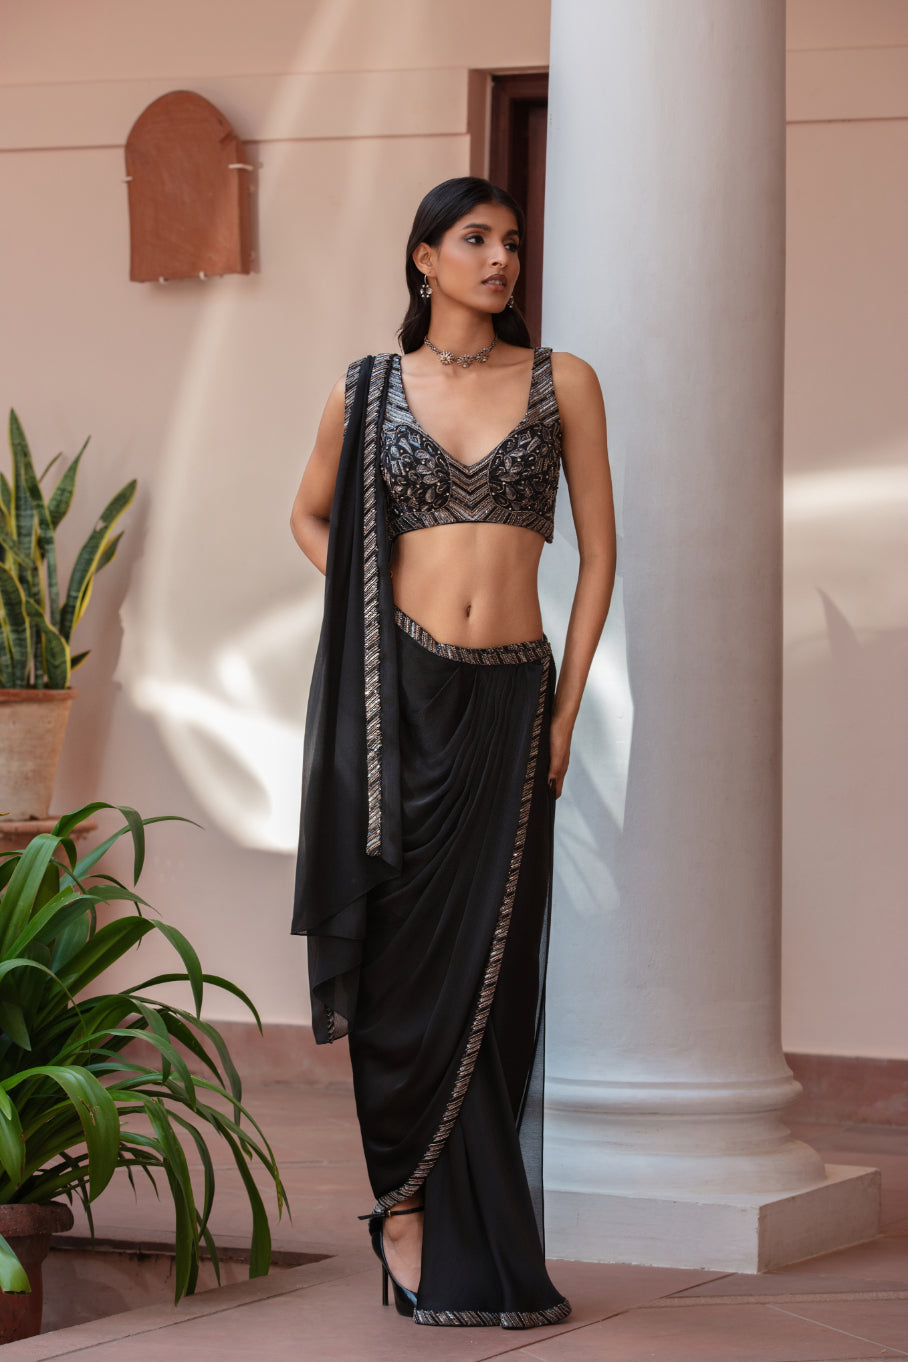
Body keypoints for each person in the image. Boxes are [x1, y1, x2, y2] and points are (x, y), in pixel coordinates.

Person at [290, 177, 615, 1328]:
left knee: (496, 974)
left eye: (510, 242)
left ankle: (484, 1236)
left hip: (511, 701)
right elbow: (309, 513)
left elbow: (598, 557)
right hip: (401, 701)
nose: (499, 259)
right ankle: (403, 1211)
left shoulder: (562, 381)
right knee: (397, 965)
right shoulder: (366, 389)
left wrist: (564, 714)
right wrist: (373, 607)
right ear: (423, 258)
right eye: (474, 239)